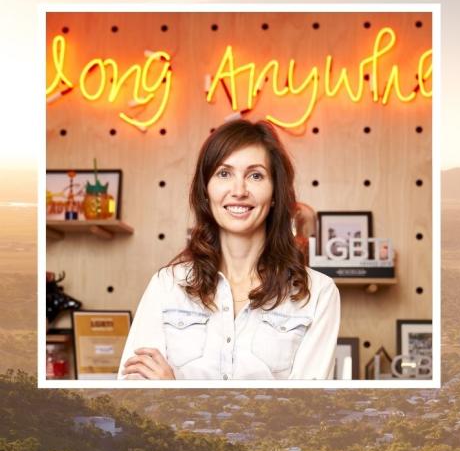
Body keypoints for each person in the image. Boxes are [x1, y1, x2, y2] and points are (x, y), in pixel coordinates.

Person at [118, 120, 340, 380]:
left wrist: (173, 393)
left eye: (255, 175)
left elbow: (305, 414)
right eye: (224, 174)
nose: (238, 191)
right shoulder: (166, 286)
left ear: (275, 194)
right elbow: (130, 404)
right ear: (205, 190)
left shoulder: (318, 295)